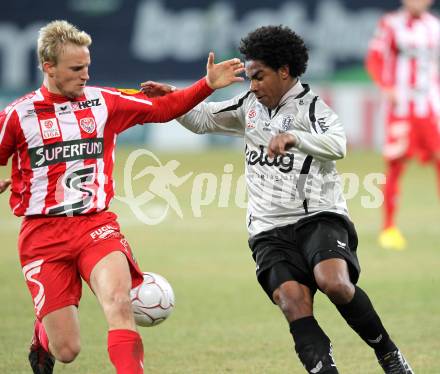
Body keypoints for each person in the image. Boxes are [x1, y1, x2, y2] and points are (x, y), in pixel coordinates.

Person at [145, 25, 414, 373]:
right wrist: (173, 99)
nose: (253, 86)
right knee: (292, 302)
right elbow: (201, 121)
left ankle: (388, 354)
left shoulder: (312, 107)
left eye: (259, 77)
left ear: (284, 71)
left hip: (318, 214)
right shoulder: (248, 106)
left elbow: (338, 145)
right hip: (269, 228)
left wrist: (295, 138)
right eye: (250, 78)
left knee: (334, 283)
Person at [0, 20, 244, 374]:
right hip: (41, 236)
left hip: (94, 225)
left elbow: (163, 109)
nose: (85, 75)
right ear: (48, 66)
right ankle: (43, 337)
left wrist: (206, 85)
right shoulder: (17, 116)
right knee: (67, 349)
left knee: (119, 303)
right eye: (76, 68)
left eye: (87, 66)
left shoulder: (103, 102)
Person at [366, 0, 440, 250]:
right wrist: (386, 87)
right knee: (395, 165)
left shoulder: (435, 27)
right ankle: (388, 228)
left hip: (431, 108)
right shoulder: (390, 24)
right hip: (402, 109)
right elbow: (374, 59)